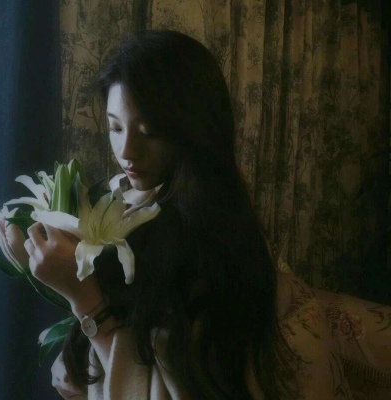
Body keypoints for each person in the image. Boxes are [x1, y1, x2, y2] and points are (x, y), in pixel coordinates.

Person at [24, 30, 352, 399]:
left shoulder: (211, 241)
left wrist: (84, 298)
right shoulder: (132, 202)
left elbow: (172, 389)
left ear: (193, 130)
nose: (126, 150)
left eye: (149, 132)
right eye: (115, 127)